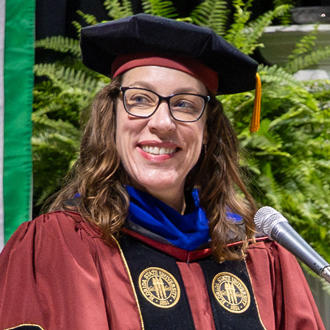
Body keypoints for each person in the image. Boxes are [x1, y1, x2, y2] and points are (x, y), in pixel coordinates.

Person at [0, 14, 325, 330]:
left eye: (185, 104)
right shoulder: (58, 248)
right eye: (140, 99)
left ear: (207, 129)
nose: (162, 122)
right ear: (111, 117)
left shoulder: (261, 256)